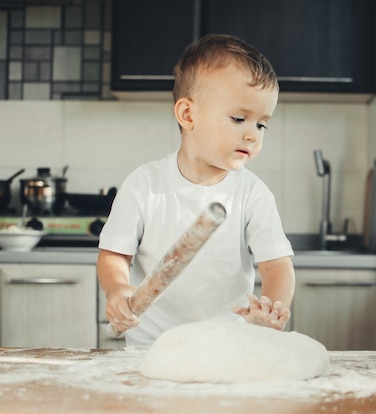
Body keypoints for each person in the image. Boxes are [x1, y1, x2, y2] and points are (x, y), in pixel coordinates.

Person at [97, 33, 295, 350]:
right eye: (239, 118)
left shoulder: (252, 194)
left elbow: (276, 265)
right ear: (188, 114)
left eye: (261, 125)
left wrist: (272, 306)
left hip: (228, 346)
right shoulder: (144, 185)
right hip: (152, 347)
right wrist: (117, 288)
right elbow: (115, 254)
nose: (252, 135)